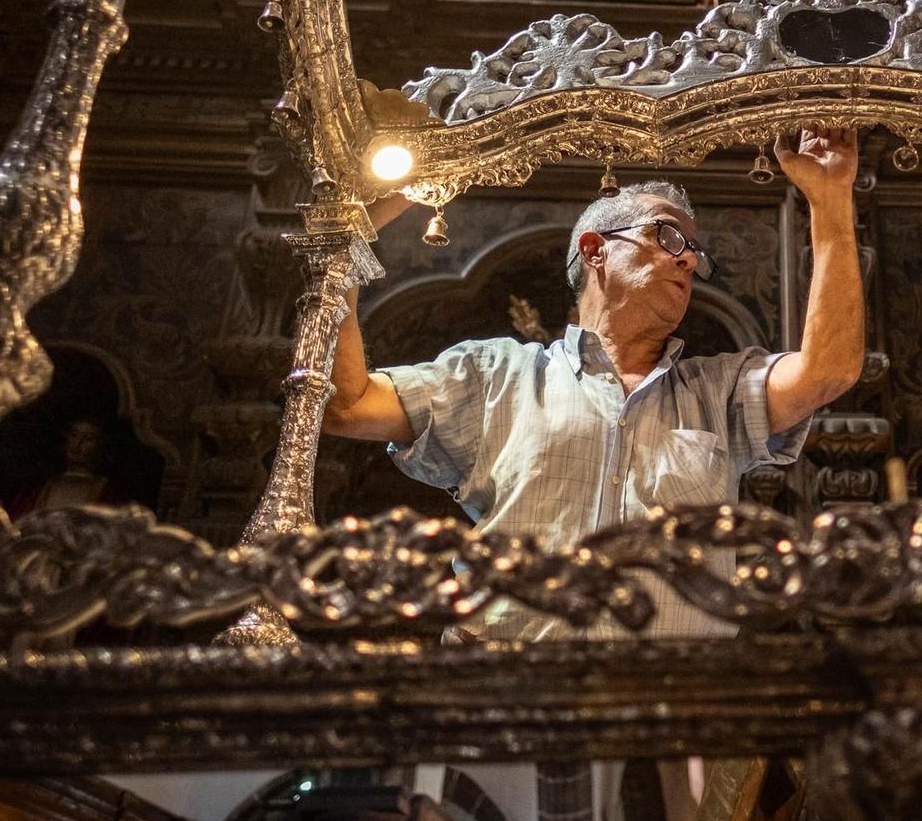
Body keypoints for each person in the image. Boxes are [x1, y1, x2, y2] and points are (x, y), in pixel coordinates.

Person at [322, 128, 864, 642]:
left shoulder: (717, 392)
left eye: (696, 253)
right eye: (667, 235)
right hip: (503, 692)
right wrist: (344, 246)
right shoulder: (495, 376)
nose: (689, 258)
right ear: (594, 248)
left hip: (672, 704)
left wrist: (829, 198)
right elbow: (347, 406)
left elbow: (829, 370)